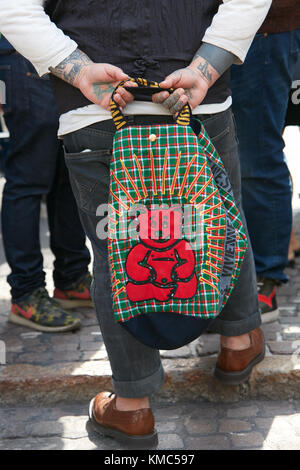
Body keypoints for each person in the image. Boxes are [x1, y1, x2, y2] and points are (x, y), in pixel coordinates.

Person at [0, 0, 271, 446]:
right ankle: (239, 343)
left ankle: (131, 409)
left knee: (116, 248)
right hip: (194, 98)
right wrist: (206, 67)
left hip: (97, 107)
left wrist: (78, 69)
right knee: (220, 217)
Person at [0, 35, 92, 333]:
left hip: (66, 54)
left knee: (68, 173)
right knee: (28, 179)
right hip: (21, 50)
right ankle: (27, 293)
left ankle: (72, 278)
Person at [231, 0, 300, 324]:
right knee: (198, 156)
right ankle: (216, 270)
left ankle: (265, 274)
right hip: (190, 31)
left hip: (263, 27)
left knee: (256, 154)